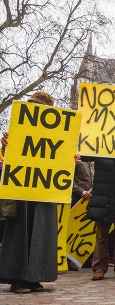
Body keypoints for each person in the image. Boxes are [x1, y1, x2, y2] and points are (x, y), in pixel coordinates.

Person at [0, 91, 59, 293]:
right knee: (21, 232)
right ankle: (16, 278)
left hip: (45, 189)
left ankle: (35, 277)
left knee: (42, 232)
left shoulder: (57, 132)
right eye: (33, 104)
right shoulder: (18, 128)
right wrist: (6, 145)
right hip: (23, 189)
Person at [83, 153, 115, 281]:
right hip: (103, 198)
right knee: (101, 237)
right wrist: (79, 154)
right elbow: (85, 153)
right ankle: (99, 268)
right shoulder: (101, 150)